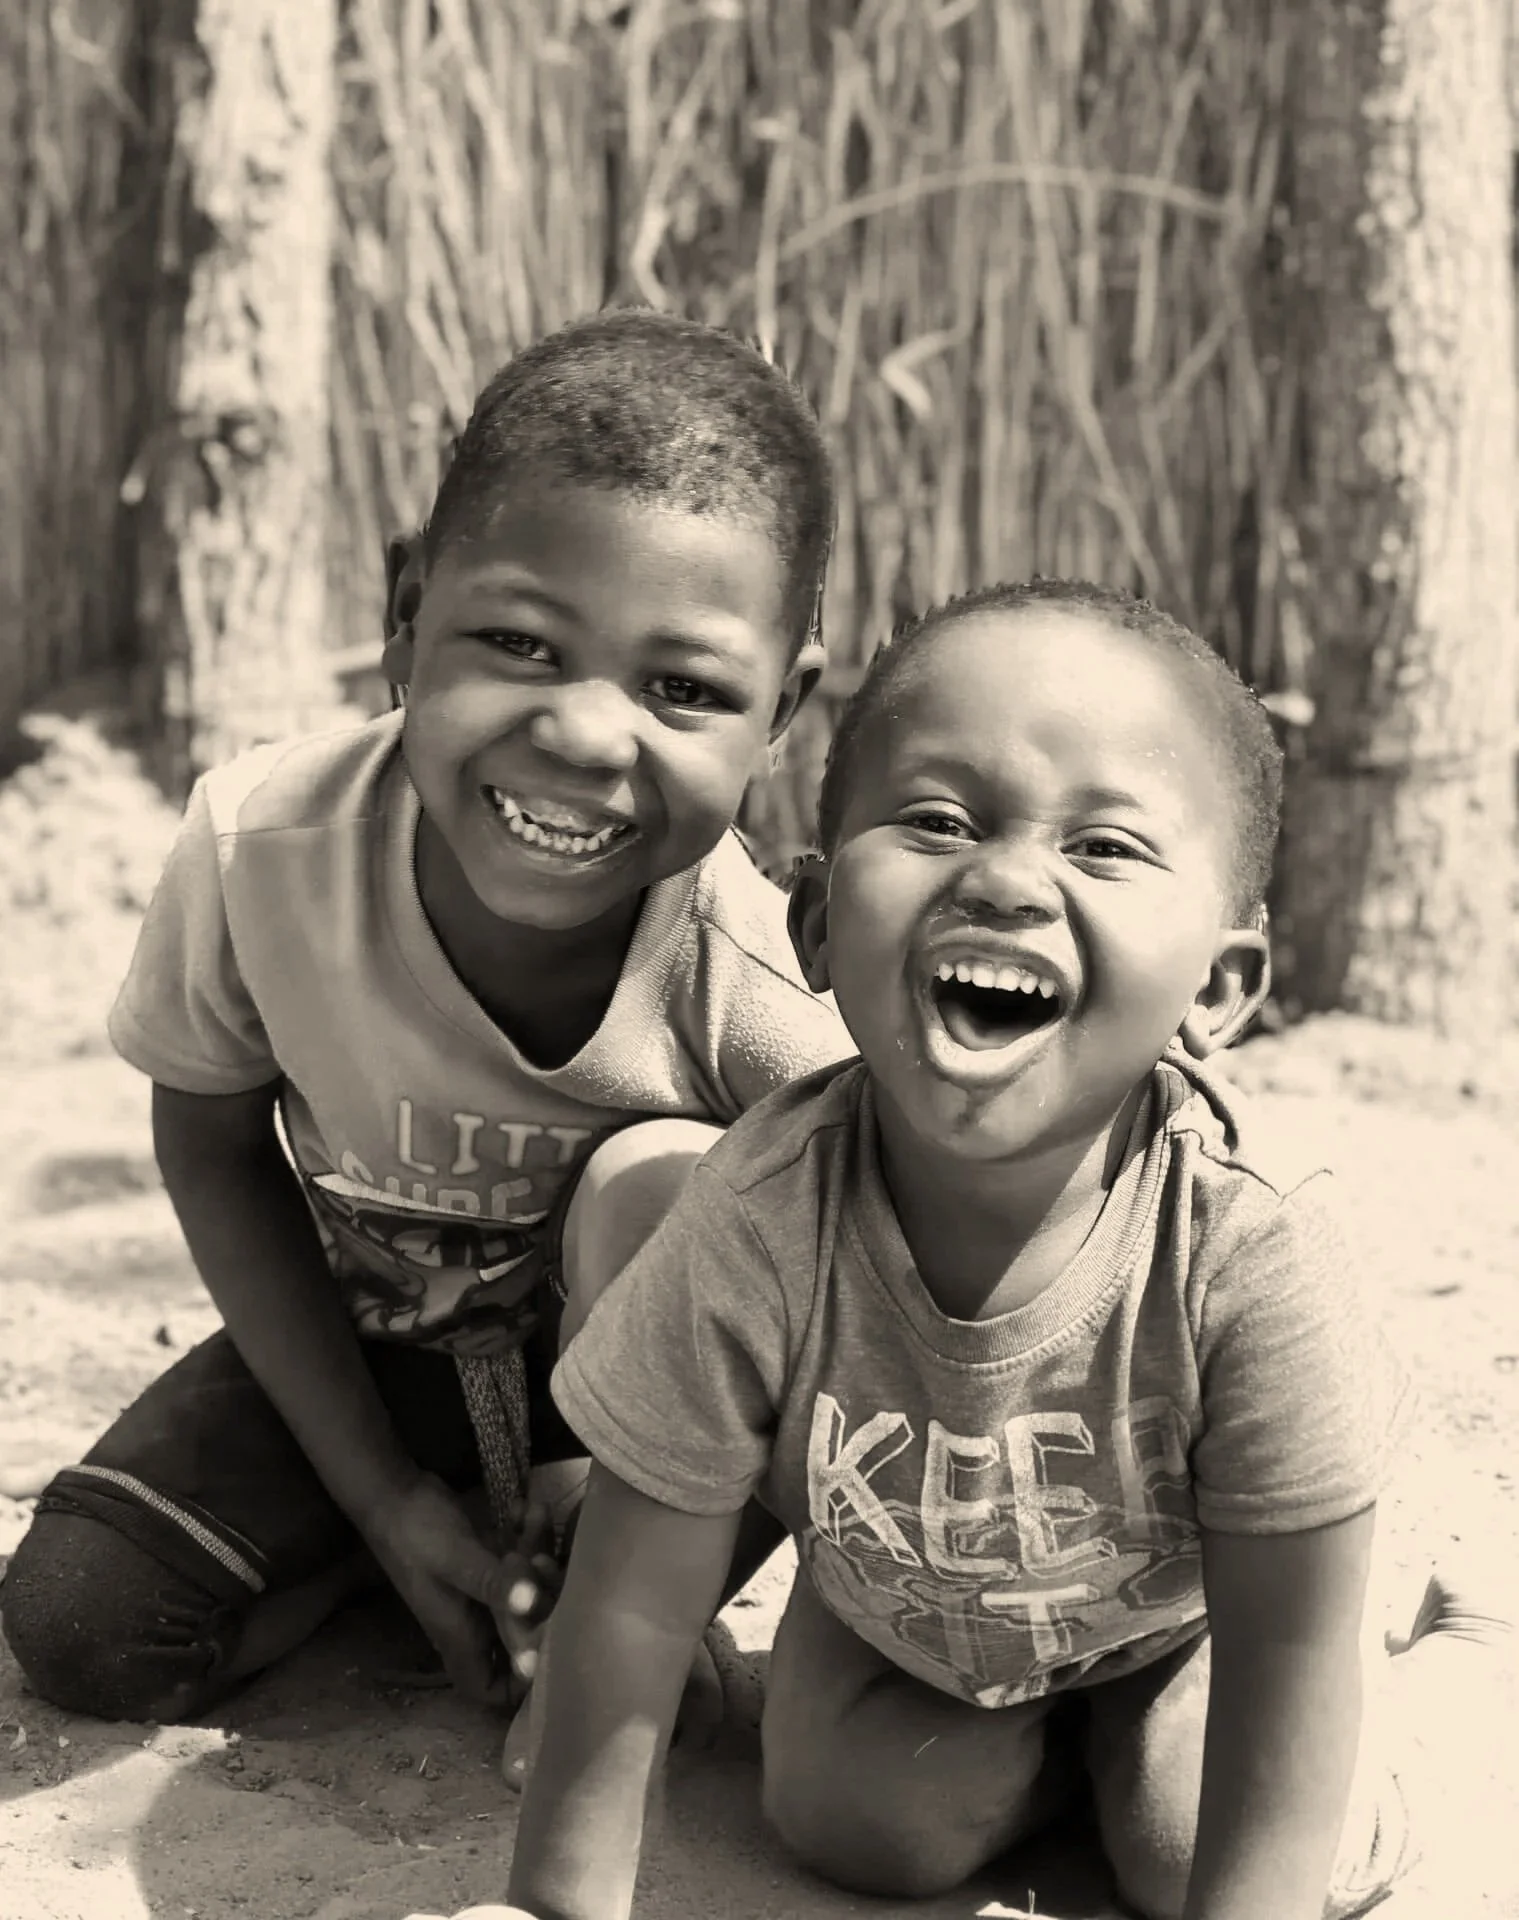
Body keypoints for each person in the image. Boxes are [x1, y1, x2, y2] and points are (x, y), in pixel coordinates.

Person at [446, 579, 1502, 1920]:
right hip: (917, 1628)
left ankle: (1450, 1661)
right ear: (819, 924)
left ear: (1219, 990)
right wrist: (552, 1905)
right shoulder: (758, 1213)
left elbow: (1278, 1648)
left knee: (1198, 1854)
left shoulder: (1246, 1247)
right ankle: (1066, 1766)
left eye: (1106, 848)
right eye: (938, 820)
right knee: (854, 1827)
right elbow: (641, 1605)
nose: (1004, 879)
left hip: (1196, 1624)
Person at [0, 309, 855, 1751]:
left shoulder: (744, 971)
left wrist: (651, 1581)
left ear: (782, 712)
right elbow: (210, 1146)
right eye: (518, 644)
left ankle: (592, 1599)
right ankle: (411, 1556)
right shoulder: (262, 850)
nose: (585, 737)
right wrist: (385, 1504)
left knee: (679, 1185)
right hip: (365, 1363)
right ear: (406, 614)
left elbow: (853, 1300)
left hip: (626, 1427)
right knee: (80, 1621)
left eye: (683, 689)